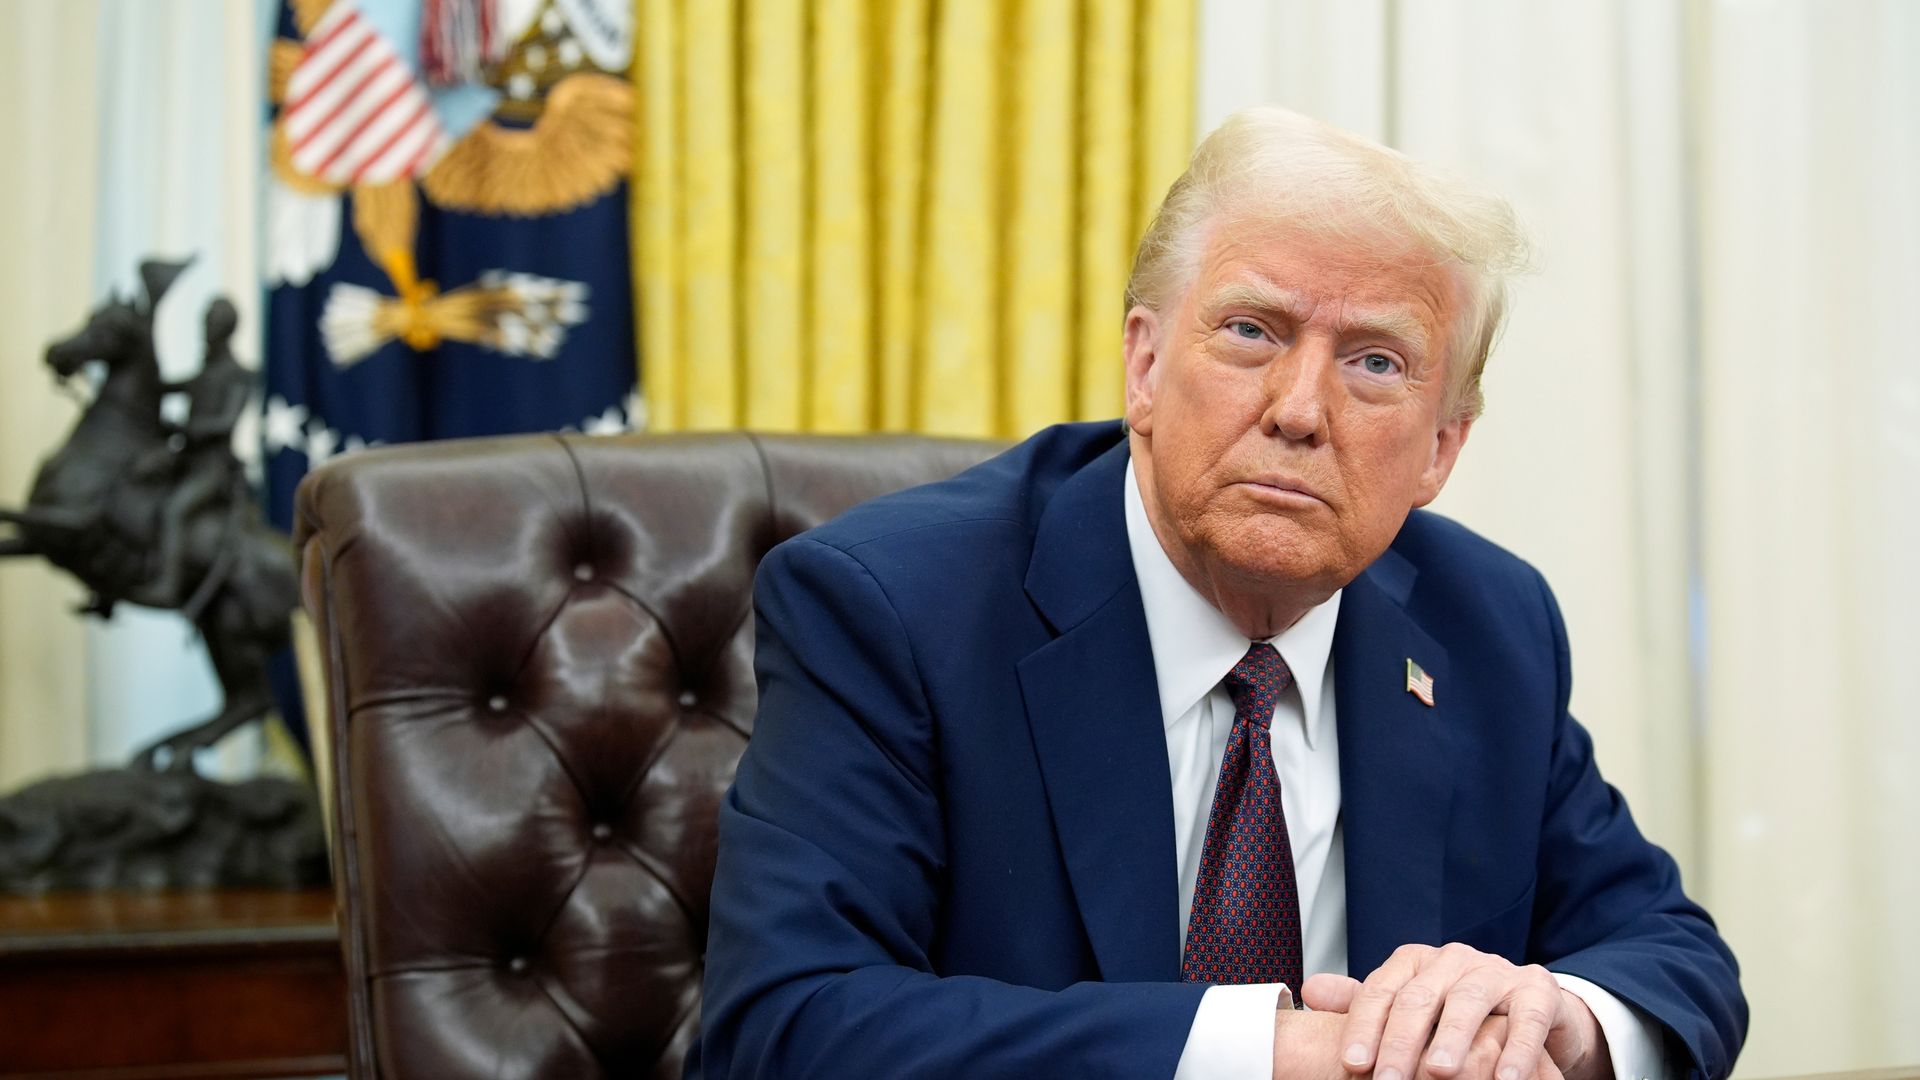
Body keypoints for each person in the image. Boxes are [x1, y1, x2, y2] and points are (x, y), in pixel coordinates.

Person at [687, 107, 1746, 1080]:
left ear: (1441, 450)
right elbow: (785, 1026)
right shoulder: (895, 608)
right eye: (1252, 331)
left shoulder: (1489, 624)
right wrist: (1267, 1054)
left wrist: (1549, 1017)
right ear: (1143, 366)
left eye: (1375, 362)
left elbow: (1674, 959)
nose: (1299, 409)